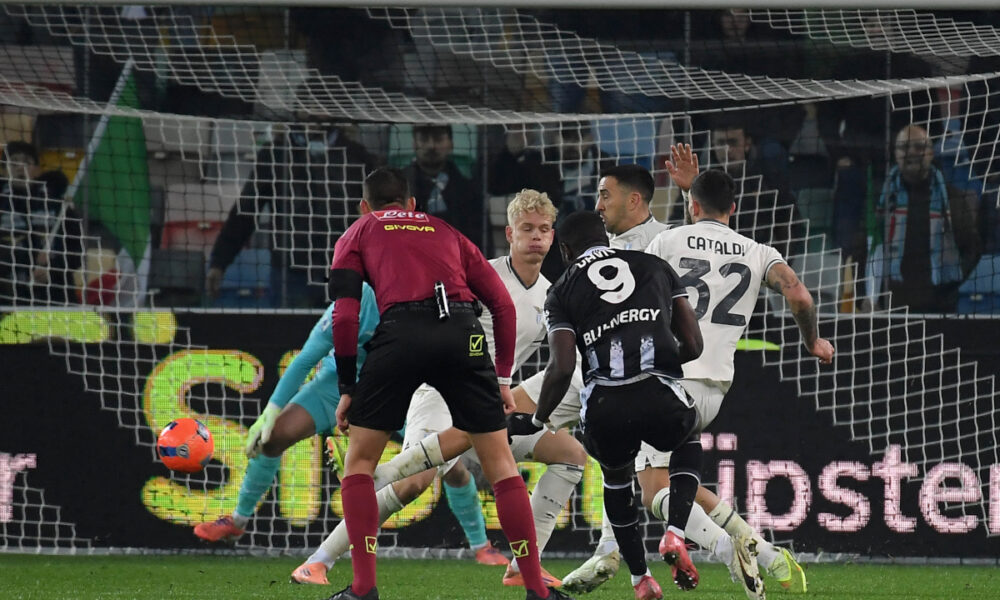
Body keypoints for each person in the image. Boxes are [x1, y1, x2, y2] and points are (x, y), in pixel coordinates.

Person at [304, 188, 585, 588]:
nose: (536, 236)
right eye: (526, 228)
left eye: (543, 229)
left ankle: (525, 565)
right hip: (439, 393)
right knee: (412, 484)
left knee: (570, 455)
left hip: (486, 401)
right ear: (510, 234)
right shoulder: (481, 275)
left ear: (553, 236)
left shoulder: (551, 295)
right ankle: (319, 560)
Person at [192, 285, 496, 575]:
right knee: (271, 438)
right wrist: (270, 411)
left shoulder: (417, 296)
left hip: (398, 390)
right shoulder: (353, 301)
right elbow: (306, 358)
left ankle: (481, 545)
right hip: (336, 386)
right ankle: (237, 521)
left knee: (448, 467)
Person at [519, 209, 705, 598]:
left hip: (605, 403)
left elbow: (561, 367)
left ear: (565, 250)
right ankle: (674, 532)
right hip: (656, 390)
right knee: (688, 435)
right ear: (604, 237)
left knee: (616, 480)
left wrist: (538, 419)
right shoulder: (654, 265)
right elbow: (693, 343)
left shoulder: (560, 291)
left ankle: (640, 578)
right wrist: (661, 362)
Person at [206, 122, 376, 308]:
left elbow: (377, 214)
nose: (314, 113)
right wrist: (219, 262)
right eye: (308, 107)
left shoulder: (356, 155)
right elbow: (245, 213)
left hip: (343, 270)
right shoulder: (276, 154)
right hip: (290, 273)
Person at [864, 124, 978, 313]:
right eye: (904, 147)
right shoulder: (881, 201)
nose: (911, 152)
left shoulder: (952, 199)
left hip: (941, 307)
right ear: (895, 154)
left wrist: (948, 284)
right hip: (891, 308)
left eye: (919, 147)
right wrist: (869, 295)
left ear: (931, 153)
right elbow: (865, 248)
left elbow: (971, 249)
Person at [491, 123, 616, 281]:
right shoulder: (539, 163)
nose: (571, 144)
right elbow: (497, 186)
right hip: (552, 252)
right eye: (565, 136)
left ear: (590, 139)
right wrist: (510, 154)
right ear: (555, 137)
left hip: (594, 244)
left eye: (578, 137)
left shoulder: (604, 165)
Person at [708, 116, 803, 260]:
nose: (727, 150)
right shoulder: (701, 179)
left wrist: (780, 264)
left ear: (747, 144)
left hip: (759, 258)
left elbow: (789, 221)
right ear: (713, 145)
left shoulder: (768, 177)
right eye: (721, 143)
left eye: (733, 142)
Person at [403, 124, 484, 249]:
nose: (431, 146)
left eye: (438, 139)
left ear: (450, 144)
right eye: (424, 139)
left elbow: (480, 242)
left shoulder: (469, 191)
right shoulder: (399, 189)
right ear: (414, 144)